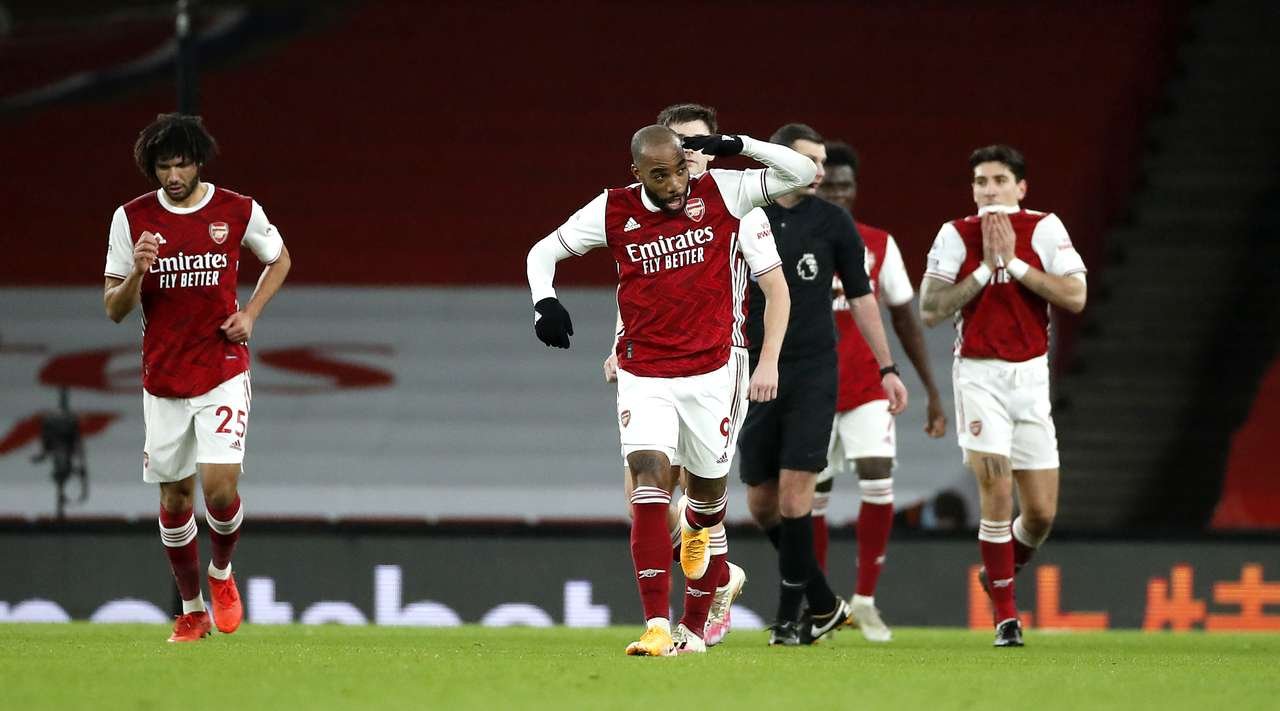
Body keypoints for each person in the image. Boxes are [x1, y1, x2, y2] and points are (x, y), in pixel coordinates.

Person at [527, 124, 808, 656]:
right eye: (660, 176)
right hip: (645, 372)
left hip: (713, 372)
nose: (676, 184)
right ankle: (656, 625)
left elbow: (803, 173)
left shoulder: (725, 192)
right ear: (636, 173)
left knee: (705, 508)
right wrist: (545, 301)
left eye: (680, 170)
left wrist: (742, 145)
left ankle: (694, 630)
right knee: (648, 485)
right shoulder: (612, 209)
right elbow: (542, 252)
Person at [103, 113, 292, 642]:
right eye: (163, 167)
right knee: (175, 500)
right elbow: (113, 308)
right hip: (164, 376)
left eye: (181, 165)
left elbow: (279, 259)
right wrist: (138, 272)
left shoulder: (237, 209)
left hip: (222, 366)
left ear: (199, 162)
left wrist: (250, 314)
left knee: (219, 488)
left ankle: (222, 572)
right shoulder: (131, 219)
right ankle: (191, 611)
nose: (173, 176)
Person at [737, 124, 907, 646]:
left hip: (813, 371)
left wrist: (887, 367)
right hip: (756, 370)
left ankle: (791, 620)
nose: (817, 171)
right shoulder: (747, 215)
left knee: (796, 499)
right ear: (777, 162)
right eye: (807, 160)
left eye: (821, 161)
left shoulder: (833, 222)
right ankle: (823, 600)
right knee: (761, 503)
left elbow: (861, 297)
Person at [919, 144, 1086, 647]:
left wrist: (1012, 264)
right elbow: (931, 308)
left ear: (1021, 187)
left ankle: (997, 573)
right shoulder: (956, 233)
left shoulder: (1045, 228)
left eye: (998, 180)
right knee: (995, 489)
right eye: (980, 182)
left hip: (1031, 377)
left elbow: (1075, 296)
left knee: (1040, 514)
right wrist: (982, 270)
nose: (989, 190)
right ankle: (1007, 618)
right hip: (979, 374)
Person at [601, 103, 746, 652]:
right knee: (650, 498)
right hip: (654, 360)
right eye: (679, 146)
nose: (688, 156)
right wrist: (617, 344)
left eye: (696, 146)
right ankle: (711, 582)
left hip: (721, 360)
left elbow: (773, 284)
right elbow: (646, 288)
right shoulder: (643, 212)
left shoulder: (734, 200)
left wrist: (769, 361)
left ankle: (697, 612)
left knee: (698, 494)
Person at [810, 141, 947, 642]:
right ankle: (819, 606)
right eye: (829, 186)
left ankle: (866, 600)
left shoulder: (878, 244)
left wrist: (931, 390)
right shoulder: (791, 237)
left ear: (855, 189)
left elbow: (905, 317)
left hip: (866, 384)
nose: (838, 194)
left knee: (877, 473)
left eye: (846, 186)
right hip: (811, 389)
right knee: (813, 494)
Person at [30, 387, 88, 519]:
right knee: (62, 472)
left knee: (63, 472)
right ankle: (60, 503)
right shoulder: (57, 419)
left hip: (63, 450)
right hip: (59, 449)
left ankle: (60, 502)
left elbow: (75, 438)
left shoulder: (66, 419)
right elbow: (47, 437)